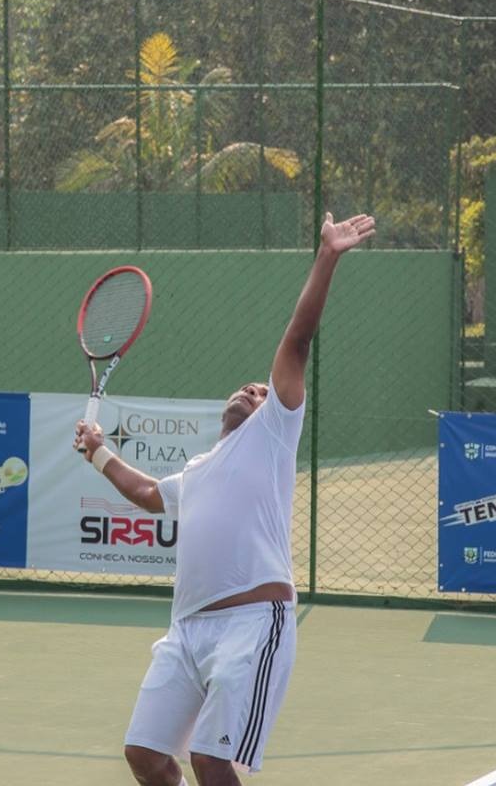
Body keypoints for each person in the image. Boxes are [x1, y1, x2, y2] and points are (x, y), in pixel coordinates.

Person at [74, 211, 376, 786]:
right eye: (246, 387)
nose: (251, 389)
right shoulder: (197, 471)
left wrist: (327, 256)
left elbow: (297, 341)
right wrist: (98, 452)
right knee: (145, 756)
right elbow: (147, 493)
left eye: (260, 391)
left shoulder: (273, 434)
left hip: (252, 624)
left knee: (212, 761)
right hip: (187, 632)